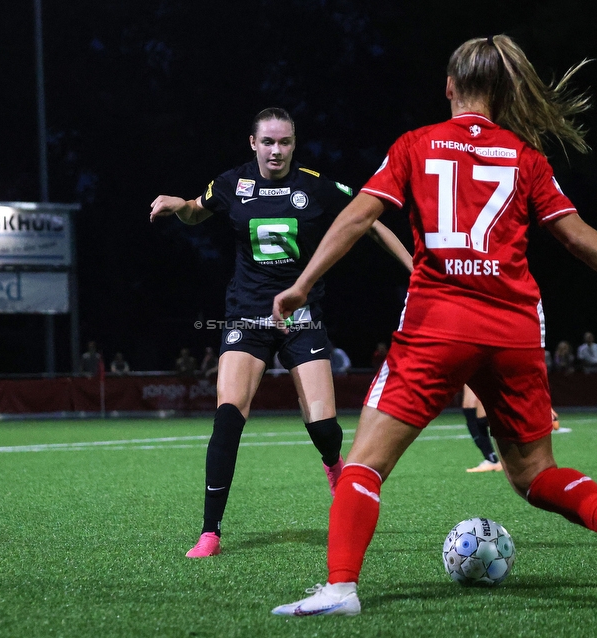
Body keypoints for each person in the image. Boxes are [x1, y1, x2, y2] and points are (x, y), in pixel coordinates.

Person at [270, 35, 597, 616]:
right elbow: (576, 235)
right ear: (505, 91)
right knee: (535, 476)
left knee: (364, 465)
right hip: (514, 333)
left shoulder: (415, 145)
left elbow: (359, 215)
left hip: (438, 326)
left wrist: (303, 281)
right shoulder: (525, 156)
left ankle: (340, 588)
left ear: (450, 87)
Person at [150, 107, 413, 558]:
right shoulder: (233, 184)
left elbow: (370, 222)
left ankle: (334, 465)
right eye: (268, 142)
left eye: (284, 142)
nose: (276, 150)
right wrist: (179, 207)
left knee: (324, 427)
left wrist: (418, 273)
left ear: (294, 144)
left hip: (301, 319)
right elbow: (197, 211)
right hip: (246, 318)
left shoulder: (315, 186)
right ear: (253, 143)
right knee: (228, 418)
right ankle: (210, 532)